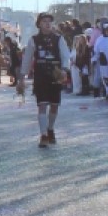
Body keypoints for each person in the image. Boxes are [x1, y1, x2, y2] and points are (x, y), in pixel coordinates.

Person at [17, 12, 71, 147]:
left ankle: (50, 128)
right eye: (44, 21)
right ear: (39, 24)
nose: (47, 24)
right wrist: (22, 77)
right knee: (42, 105)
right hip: (40, 76)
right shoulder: (33, 40)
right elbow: (27, 59)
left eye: (49, 21)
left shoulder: (59, 39)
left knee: (54, 106)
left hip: (55, 75)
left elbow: (66, 55)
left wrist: (64, 70)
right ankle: (44, 135)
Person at [92, 21, 108, 99]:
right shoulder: (99, 39)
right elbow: (96, 51)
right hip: (104, 61)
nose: (107, 31)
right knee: (106, 77)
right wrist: (94, 59)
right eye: (106, 30)